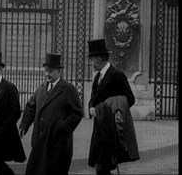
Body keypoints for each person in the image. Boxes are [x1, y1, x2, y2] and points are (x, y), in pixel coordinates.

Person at [19, 53, 83, 175]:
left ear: (59, 72)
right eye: (46, 70)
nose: (47, 74)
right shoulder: (41, 89)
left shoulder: (68, 89)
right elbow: (30, 107)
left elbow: (77, 113)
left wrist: (62, 127)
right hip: (39, 144)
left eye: (51, 71)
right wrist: (24, 125)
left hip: (58, 145)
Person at [87, 39, 139, 175]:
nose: (91, 63)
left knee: (102, 167)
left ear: (99, 58)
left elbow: (130, 99)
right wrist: (90, 109)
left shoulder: (116, 75)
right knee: (101, 166)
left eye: (92, 59)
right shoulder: (97, 77)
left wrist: (109, 107)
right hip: (99, 128)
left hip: (111, 129)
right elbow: (93, 99)